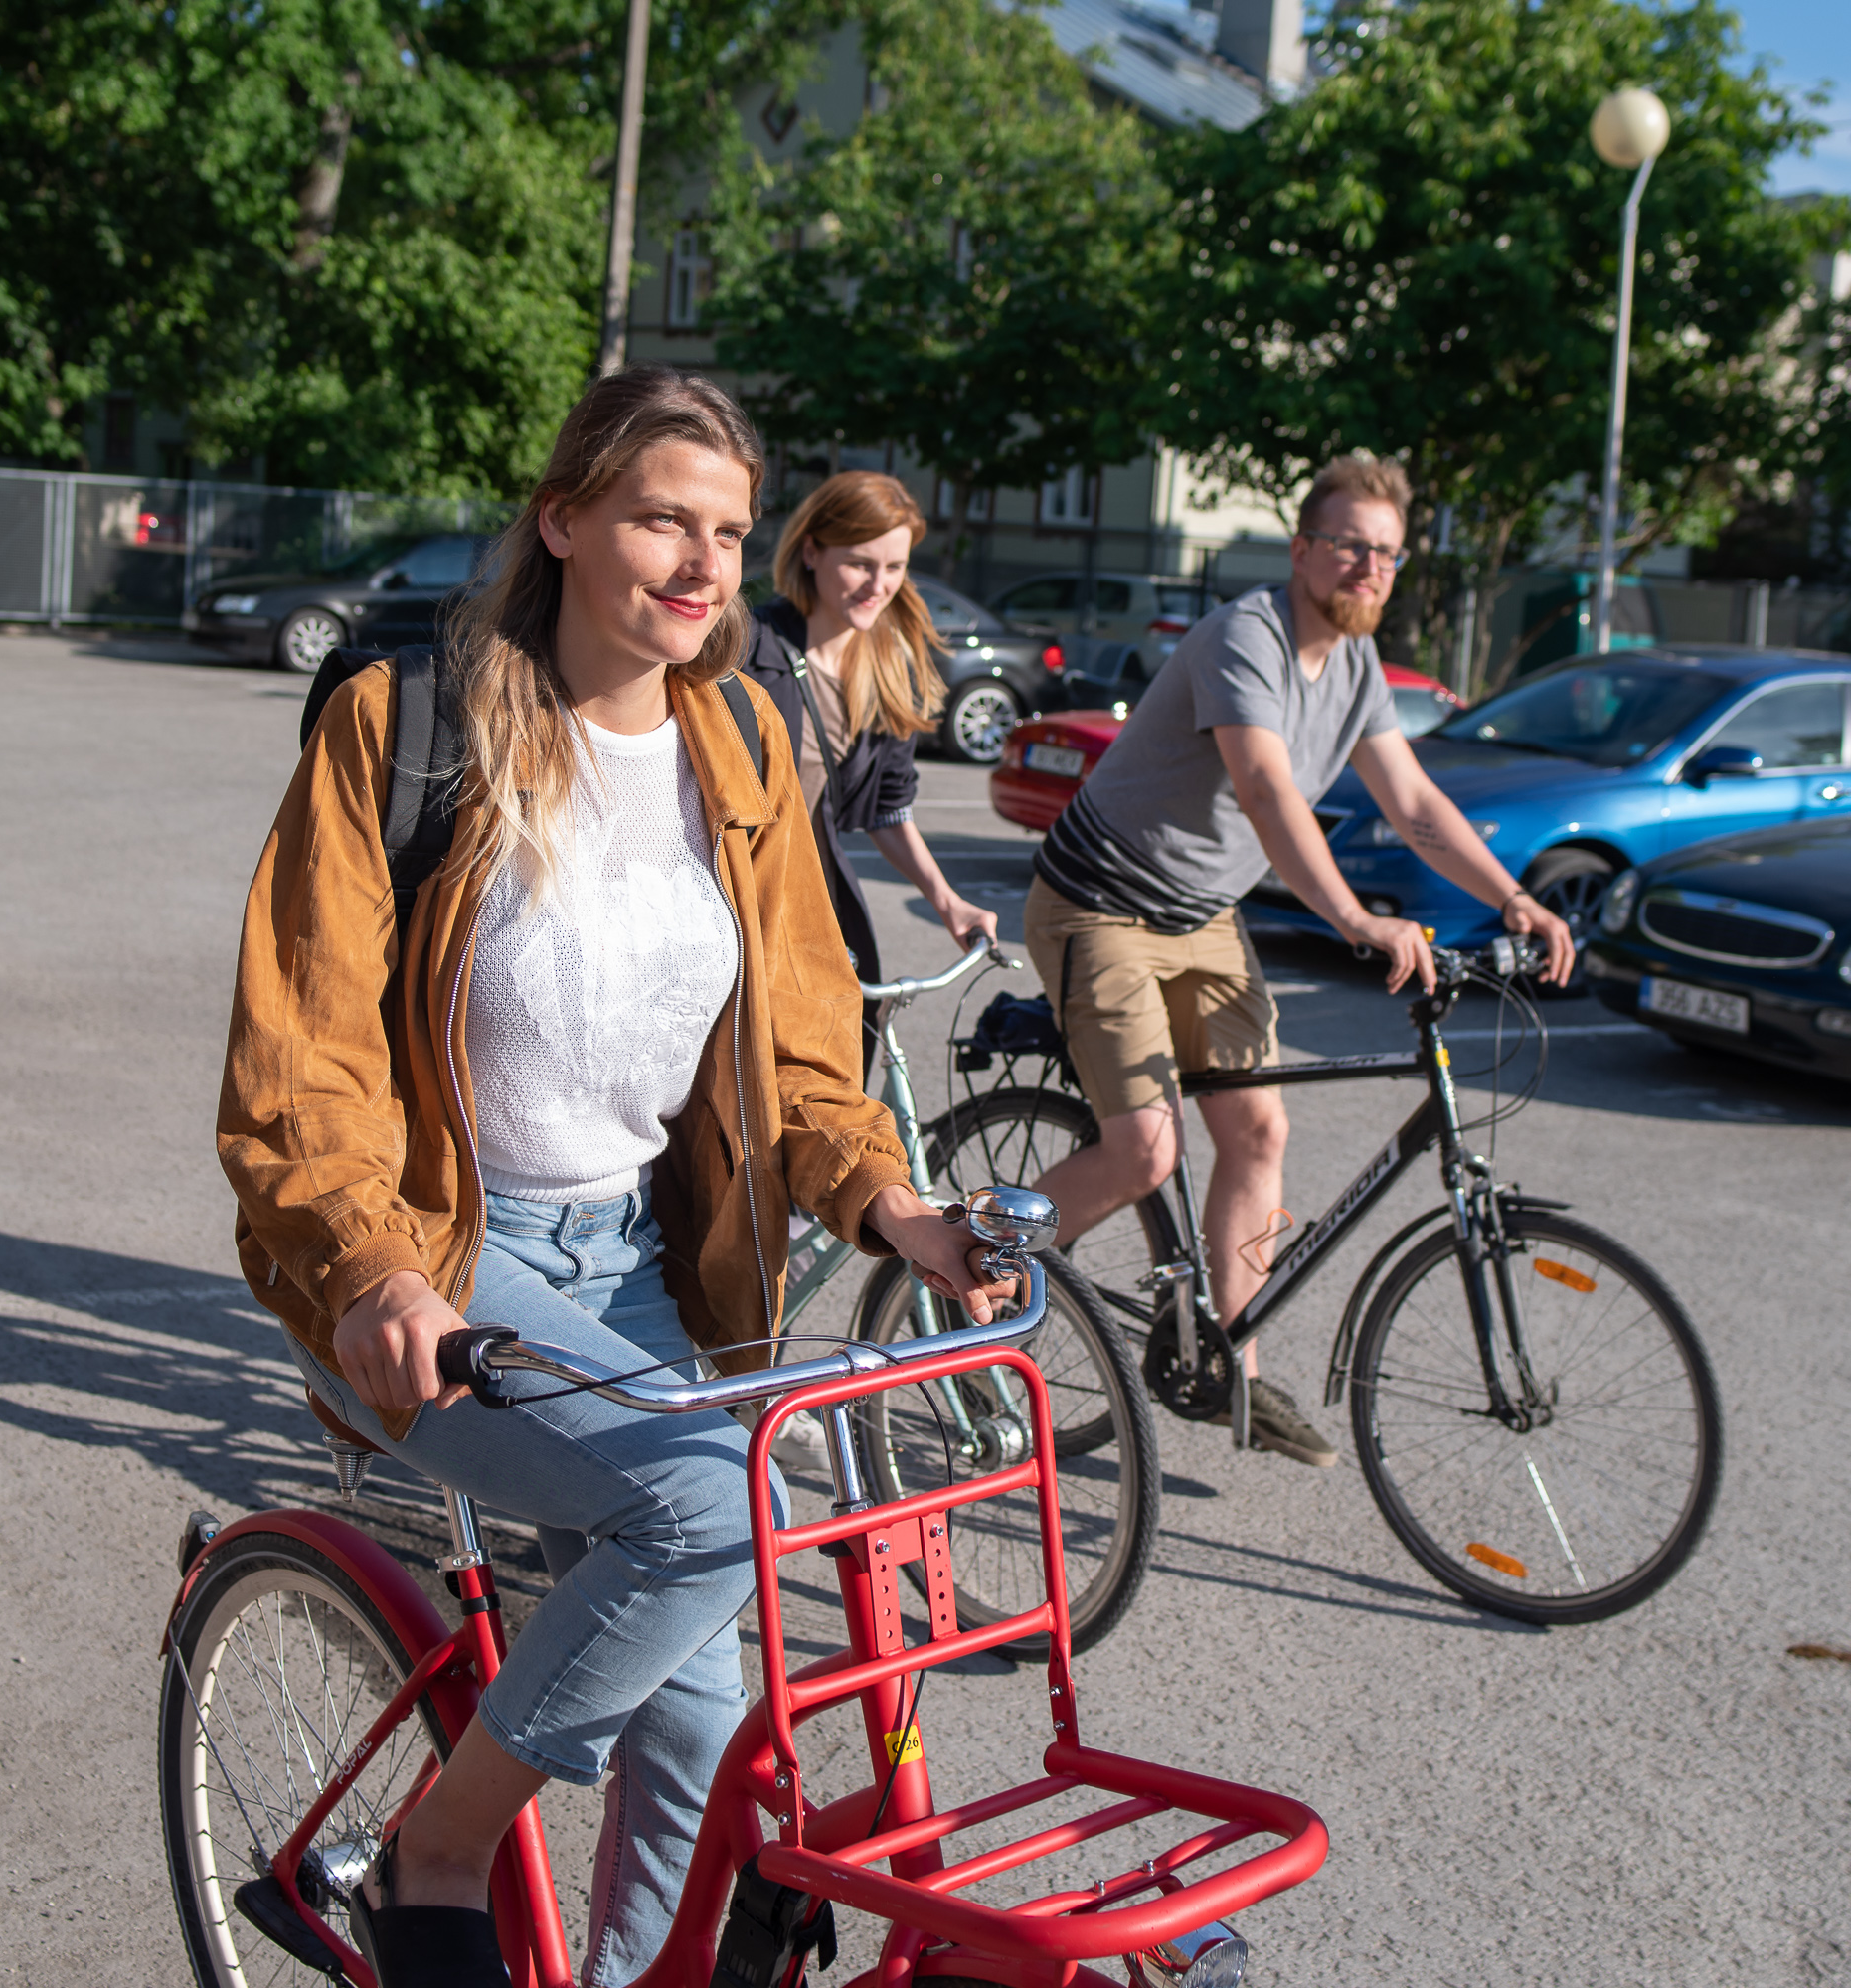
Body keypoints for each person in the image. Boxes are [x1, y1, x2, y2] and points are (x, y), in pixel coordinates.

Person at [217, 366, 1014, 1988]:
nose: (702, 560)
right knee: (716, 1513)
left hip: (641, 1268)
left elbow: (803, 1046)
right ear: (565, 521)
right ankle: (434, 1853)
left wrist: (899, 1207)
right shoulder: (406, 725)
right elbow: (301, 1056)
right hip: (443, 1260)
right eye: (662, 518)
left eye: (726, 529)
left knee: (706, 1720)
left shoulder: (740, 741)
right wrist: (371, 1267)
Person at [1023, 453, 1575, 1467]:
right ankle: (973, 1267)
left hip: (1202, 915)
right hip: (1098, 905)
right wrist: (1357, 920)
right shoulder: (1247, 636)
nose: (1369, 567)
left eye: (1386, 553)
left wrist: (1514, 898)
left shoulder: (1356, 664)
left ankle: (1230, 1364)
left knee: (1257, 1129)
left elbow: (1413, 801)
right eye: (1349, 545)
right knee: (1144, 1150)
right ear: (1301, 550)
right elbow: (1267, 789)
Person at [740, 471, 1000, 1015]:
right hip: (733, 908)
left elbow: (888, 810)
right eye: (860, 563)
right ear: (811, 551)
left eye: (895, 567)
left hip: (814, 911)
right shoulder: (746, 649)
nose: (878, 585)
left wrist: (949, 903)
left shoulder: (890, 668)